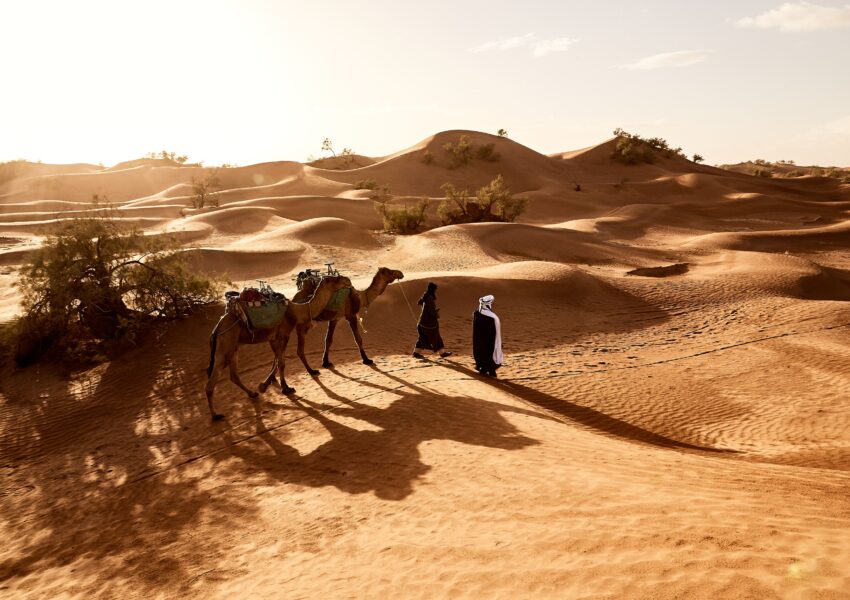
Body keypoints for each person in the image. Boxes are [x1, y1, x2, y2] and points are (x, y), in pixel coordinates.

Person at [412, 282, 452, 359]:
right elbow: (431, 311)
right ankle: (442, 353)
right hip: (428, 324)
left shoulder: (425, 295)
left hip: (422, 322)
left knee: (422, 338)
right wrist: (436, 314)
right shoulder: (429, 297)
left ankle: (416, 353)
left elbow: (419, 303)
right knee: (436, 336)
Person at [472, 294, 503, 377]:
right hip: (489, 340)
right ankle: (490, 370)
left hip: (479, 339)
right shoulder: (492, 317)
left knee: (481, 353)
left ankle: (483, 368)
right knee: (490, 353)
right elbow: (494, 330)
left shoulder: (476, 313)